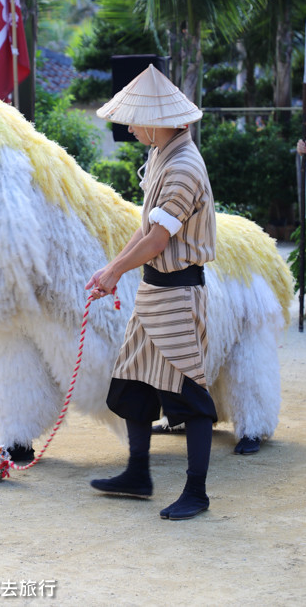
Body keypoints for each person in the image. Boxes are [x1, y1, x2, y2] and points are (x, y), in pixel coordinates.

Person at [86, 64, 217, 520]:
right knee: (132, 382)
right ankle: (138, 474)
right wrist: (111, 269)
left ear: (161, 119)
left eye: (137, 117)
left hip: (178, 296)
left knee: (190, 397)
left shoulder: (183, 166)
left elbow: (158, 242)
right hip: (154, 292)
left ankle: (196, 493)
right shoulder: (164, 151)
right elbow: (146, 230)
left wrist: (113, 272)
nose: (130, 126)